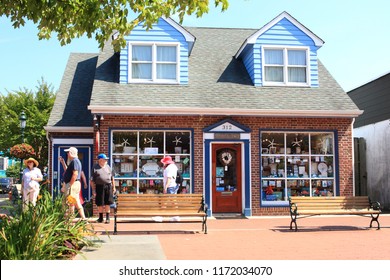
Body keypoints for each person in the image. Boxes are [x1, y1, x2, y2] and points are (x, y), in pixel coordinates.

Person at [60, 147, 86, 220]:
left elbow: (75, 174)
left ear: (71, 153)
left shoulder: (75, 161)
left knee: (69, 201)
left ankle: (69, 219)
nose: (67, 154)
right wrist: (63, 162)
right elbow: (68, 171)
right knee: (77, 202)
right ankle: (83, 219)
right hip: (75, 184)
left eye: (68, 152)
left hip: (73, 184)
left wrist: (69, 185)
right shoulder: (75, 161)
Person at [90, 153, 116, 223]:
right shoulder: (95, 167)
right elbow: (92, 180)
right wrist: (93, 190)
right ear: (100, 160)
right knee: (100, 203)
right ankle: (101, 218)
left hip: (108, 186)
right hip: (99, 186)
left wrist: (114, 187)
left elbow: (112, 177)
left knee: (108, 202)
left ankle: (108, 218)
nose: (106, 161)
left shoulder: (108, 167)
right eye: (105, 159)